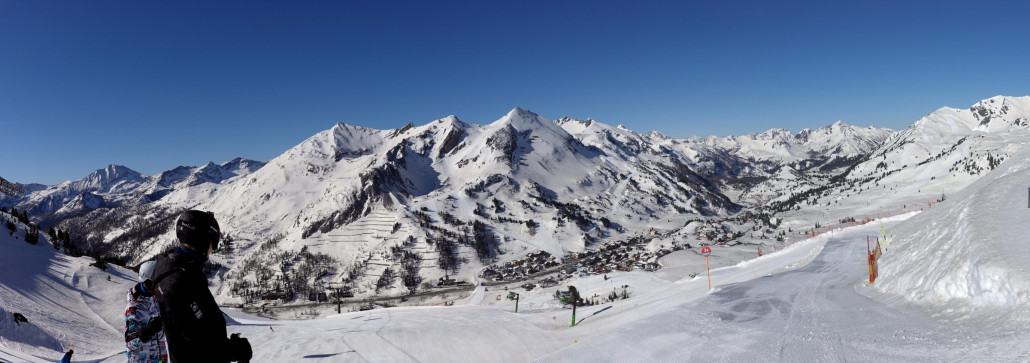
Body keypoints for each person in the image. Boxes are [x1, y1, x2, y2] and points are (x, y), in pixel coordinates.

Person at [152, 210, 252, 363]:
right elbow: (199, 345)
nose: (213, 249)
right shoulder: (181, 281)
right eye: (213, 243)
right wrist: (234, 350)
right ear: (202, 241)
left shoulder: (172, 267)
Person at [124, 260, 167, 363]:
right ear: (148, 282)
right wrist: (148, 330)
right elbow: (129, 342)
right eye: (158, 282)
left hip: (160, 359)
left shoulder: (156, 299)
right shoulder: (134, 307)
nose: (161, 285)